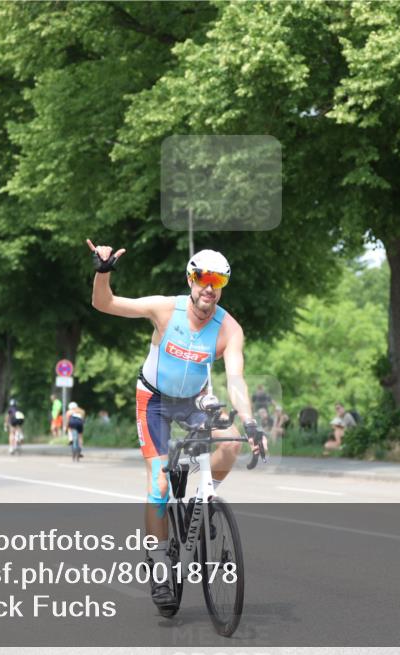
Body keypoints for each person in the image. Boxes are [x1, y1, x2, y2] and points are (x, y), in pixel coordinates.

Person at [87, 239, 266, 616]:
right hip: (153, 400)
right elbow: (105, 304)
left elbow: (235, 380)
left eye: (217, 281)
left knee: (230, 445)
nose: (209, 287)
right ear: (191, 279)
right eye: (203, 278)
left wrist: (249, 421)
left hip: (195, 400)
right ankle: (160, 567)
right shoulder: (166, 310)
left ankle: (202, 497)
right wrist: (103, 273)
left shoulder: (228, 329)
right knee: (159, 484)